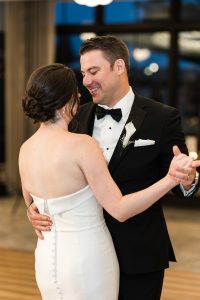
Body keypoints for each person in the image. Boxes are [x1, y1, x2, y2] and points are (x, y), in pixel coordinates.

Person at [27, 36, 200, 300]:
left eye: (93, 71)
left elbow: (181, 179)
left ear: (119, 67)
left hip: (139, 253)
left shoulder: (162, 117)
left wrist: (187, 180)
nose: (85, 81)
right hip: (86, 254)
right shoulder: (75, 117)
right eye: (83, 73)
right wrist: (35, 209)